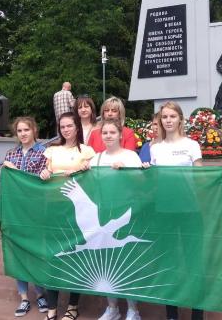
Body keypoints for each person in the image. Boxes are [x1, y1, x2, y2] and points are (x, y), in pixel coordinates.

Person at [147, 101, 222, 320]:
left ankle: (197, 313)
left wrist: (218, 177)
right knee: (168, 262)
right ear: (160, 121)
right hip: (164, 211)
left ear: (180, 119)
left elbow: (200, 177)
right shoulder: (155, 148)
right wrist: (145, 171)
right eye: (165, 117)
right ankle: (171, 313)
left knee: (194, 261)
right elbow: (153, 181)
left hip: (190, 210)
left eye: (172, 116)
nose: (168, 120)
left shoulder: (191, 145)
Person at [40, 112, 95, 320]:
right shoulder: (51, 150)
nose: (66, 130)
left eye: (69, 126)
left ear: (77, 127)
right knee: (52, 256)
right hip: (53, 209)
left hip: (76, 211)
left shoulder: (87, 151)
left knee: (75, 256)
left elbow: (95, 177)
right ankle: (52, 308)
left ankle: (73, 306)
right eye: (62, 127)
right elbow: (44, 172)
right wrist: (44, 173)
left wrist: (86, 169)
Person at [0, 116, 49, 317]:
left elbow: (43, 182)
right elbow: (6, 190)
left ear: (34, 130)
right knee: (17, 253)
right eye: (19, 131)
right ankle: (24, 298)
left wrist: (44, 173)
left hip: (35, 212)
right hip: (14, 212)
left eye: (27, 129)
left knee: (36, 253)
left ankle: (41, 294)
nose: (23, 134)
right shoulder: (11, 154)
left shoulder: (45, 152)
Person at [89, 118, 142, 320]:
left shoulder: (130, 156)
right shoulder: (96, 159)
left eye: (112, 132)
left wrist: (126, 171)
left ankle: (133, 310)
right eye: (105, 133)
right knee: (106, 262)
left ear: (120, 135)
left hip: (127, 213)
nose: (108, 136)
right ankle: (113, 308)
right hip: (104, 214)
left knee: (127, 261)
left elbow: (142, 181)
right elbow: (90, 184)